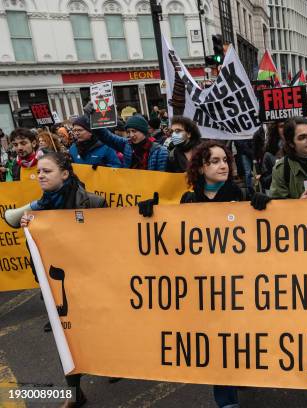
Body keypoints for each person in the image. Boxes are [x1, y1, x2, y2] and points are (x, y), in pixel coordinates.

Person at [138, 140, 267, 408]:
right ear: (200, 167)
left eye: (225, 160)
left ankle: (238, 374)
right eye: (215, 161)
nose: (223, 165)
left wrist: (266, 207)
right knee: (217, 342)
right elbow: (176, 236)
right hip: (206, 287)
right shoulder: (190, 199)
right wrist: (152, 215)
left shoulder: (242, 195)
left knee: (237, 338)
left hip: (239, 284)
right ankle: (227, 401)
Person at [17, 151, 106, 408]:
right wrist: (29, 229)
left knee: (101, 331)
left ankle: (113, 366)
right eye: (39, 172)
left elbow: (109, 244)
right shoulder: (37, 210)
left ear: (65, 174)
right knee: (65, 338)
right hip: (60, 288)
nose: (41, 175)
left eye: (47, 171)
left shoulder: (93, 203)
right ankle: (75, 393)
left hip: (92, 283)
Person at [95, 115, 169, 171]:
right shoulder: (127, 144)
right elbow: (106, 136)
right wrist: (93, 117)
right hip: (130, 188)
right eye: (128, 132)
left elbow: (161, 178)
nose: (131, 135)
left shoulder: (160, 151)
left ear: (143, 131)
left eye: (134, 131)